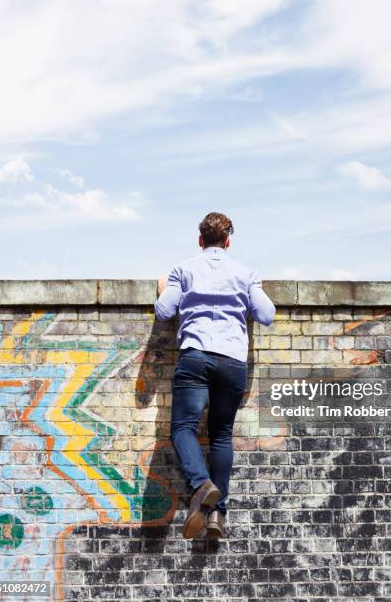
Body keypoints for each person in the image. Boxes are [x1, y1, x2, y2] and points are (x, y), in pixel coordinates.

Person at [154, 212, 276, 539]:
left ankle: (201, 484)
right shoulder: (245, 273)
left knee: (182, 428)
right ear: (227, 241)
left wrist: (163, 287)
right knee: (221, 434)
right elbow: (266, 315)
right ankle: (216, 517)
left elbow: (165, 311)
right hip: (233, 361)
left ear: (200, 241)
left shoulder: (182, 270)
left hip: (196, 356)